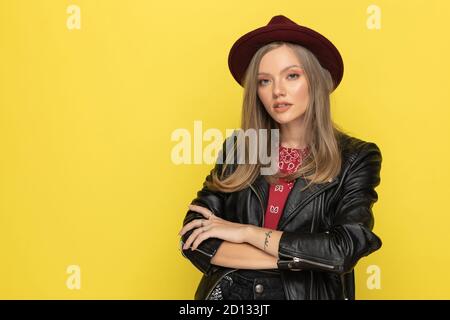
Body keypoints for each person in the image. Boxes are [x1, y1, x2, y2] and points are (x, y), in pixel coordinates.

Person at [178, 14, 382, 300]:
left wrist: (246, 233)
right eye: (264, 81)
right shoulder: (242, 147)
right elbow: (194, 238)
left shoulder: (356, 157)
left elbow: (342, 250)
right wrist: (301, 258)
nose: (277, 91)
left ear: (316, 80)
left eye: (292, 76)